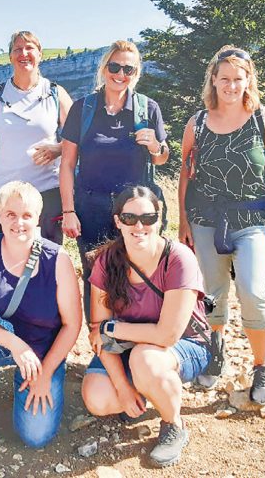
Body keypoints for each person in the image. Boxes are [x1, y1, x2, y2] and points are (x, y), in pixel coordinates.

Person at [178, 46, 265, 403]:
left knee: (253, 292)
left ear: (248, 81)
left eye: (237, 79)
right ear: (213, 79)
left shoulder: (263, 119)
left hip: (253, 219)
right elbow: (185, 172)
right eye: (224, 78)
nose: (230, 85)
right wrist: (182, 220)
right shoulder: (197, 123)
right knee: (212, 294)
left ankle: (261, 367)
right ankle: (215, 352)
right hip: (206, 220)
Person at [0, 181, 81, 462]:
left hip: (42, 350)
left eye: (26, 215)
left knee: (36, 435)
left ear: (38, 219)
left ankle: (39, 379)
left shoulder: (57, 259)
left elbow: (72, 325)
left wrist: (45, 374)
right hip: (1, 339)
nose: (18, 222)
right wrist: (15, 344)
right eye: (10, 214)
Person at [81, 186, 211, 468]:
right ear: (117, 221)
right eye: (129, 218)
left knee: (146, 359)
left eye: (148, 218)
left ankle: (173, 423)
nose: (139, 226)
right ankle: (145, 388)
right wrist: (122, 387)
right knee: (97, 399)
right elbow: (96, 332)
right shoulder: (106, 261)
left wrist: (112, 329)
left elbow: (167, 334)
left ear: (159, 218)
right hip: (128, 348)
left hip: (184, 345)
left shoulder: (178, 259)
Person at [59, 40, 169, 321]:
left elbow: (161, 158)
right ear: (104, 67)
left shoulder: (148, 109)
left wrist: (156, 147)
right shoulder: (83, 109)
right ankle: (100, 341)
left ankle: (132, 341)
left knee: (138, 274)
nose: (120, 74)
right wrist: (69, 211)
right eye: (115, 66)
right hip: (91, 206)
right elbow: (68, 164)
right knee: (95, 277)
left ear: (136, 73)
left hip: (135, 212)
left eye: (128, 69)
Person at [0, 31, 73, 244]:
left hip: (47, 192)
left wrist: (58, 148)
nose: (23, 53)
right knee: (3, 259)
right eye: (17, 49)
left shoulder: (56, 93)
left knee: (47, 259)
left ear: (40, 54)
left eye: (29, 48)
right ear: (10, 56)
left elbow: (79, 137)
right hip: (0, 192)